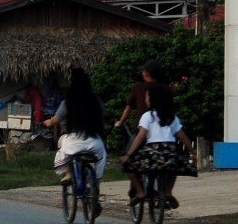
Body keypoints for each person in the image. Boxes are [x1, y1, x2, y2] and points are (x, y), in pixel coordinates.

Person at [44, 67, 109, 209]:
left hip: (73, 142)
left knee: (62, 143)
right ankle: (95, 189)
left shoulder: (68, 102)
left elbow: (55, 120)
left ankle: (68, 174)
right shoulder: (96, 101)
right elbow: (103, 117)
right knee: (102, 156)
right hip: (94, 142)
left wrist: (47, 122)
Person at [120, 80, 187, 208]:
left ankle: (140, 193)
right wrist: (193, 153)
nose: (145, 100)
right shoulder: (172, 117)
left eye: (146, 97)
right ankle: (168, 192)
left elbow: (140, 137)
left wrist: (128, 155)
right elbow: (182, 137)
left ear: (152, 100)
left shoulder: (147, 116)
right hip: (170, 154)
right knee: (175, 168)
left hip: (152, 155)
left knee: (127, 166)